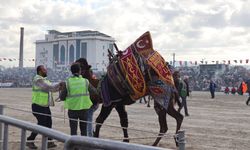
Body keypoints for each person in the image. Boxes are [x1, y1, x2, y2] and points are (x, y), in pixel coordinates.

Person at [26, 65, 62, 149]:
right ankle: (30, 140)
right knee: (41, 124)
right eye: (44, 70)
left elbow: (52, 89)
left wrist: (60, 86)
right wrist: (60, 83)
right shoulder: (37, 79)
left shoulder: (45, 80)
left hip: (45, 106)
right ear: (39, 71)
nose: (46, 71)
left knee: (48, 123)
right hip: (38, 106)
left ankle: (49, 142)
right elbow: (48, 87)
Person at [60, 63, 93, 136]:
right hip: (84, 109)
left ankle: (74, 146)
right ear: (80, 71)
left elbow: (62, 97)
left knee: (73, 131)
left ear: (71, 71)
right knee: (84, 131)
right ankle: (83, 145)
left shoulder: (67, 82)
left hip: (72, 110)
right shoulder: (85, 81)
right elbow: (94, 92)